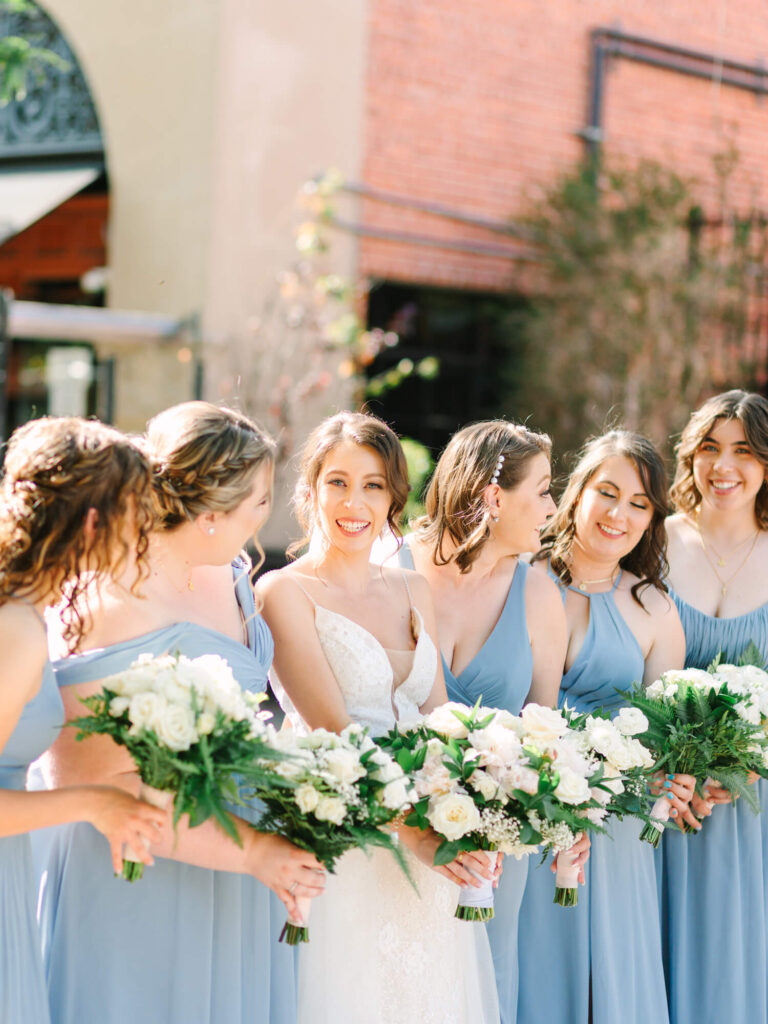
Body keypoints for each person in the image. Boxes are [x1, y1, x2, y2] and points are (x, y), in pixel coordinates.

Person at [40, 402, 324, 1024]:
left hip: (241, 869)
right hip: (143, 866)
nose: (264, 514)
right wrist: (250, 850)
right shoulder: (108, 599)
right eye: (257, 500)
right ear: (212, 515)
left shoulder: (234, 576)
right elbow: (88, 781)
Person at [259, 410, 500, 1024]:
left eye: (372, 484)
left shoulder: (413, 588)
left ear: (394, 495)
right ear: (310, 490)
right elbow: (331, 735)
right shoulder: (285, 594)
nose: (354, 501)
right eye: (337, 481)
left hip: (425, 837)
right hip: (345, 836)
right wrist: (414, 832)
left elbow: (442, 716)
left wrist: (475, 814)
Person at [394, 419, 578, 1023]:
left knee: (487, 986)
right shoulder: (392, 569)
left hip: (498, 845)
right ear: (496, 497)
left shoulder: (540, 595)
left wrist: (563, 815)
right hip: (398, 825)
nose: (553, 508)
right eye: (545, 491)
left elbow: (545, 730)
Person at [516, 430, 694, 1024]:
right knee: (530, 969)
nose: (620, 514)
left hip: (616, 828)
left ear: (652, 519)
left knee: (612, 987)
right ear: (575, 494)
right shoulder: (516, 577)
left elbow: (667, 741)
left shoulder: (655, 610)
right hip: (516, 809)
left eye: (639, 503)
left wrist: (678, 777)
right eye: (607, 492)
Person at [0, 416, 168, 1024]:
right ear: (94, 521)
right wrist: (97, 803)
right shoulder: (15, 626)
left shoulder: (21, 605)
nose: (145, 532)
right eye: (136, 514)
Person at [659, 390, 768, 1024]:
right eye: (709, 448)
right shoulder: (653, 541)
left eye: (744, 451)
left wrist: (747, 763)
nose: (723, 466)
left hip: (750, 804)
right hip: (661, 790)